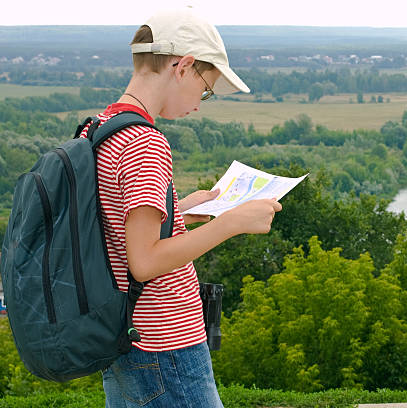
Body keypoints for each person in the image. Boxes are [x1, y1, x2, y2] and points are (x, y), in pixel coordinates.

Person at [78, 7, 282, 407]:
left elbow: (113, 230)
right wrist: (232, 224)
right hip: (163, 346)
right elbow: (145, 262)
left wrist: (180, 213)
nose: (201, 102)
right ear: (183, 66)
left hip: (125, 336)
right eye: (206, 88)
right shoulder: (145, 142)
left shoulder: (102, 126)